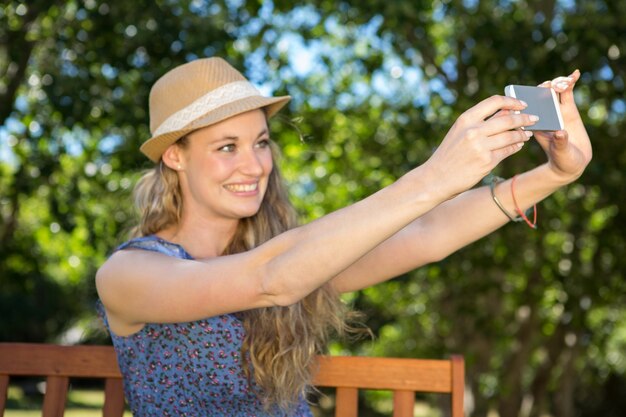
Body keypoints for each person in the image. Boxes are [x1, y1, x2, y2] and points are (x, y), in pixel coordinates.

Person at [95, 57, 591, 416]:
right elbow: (270, 279)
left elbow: (425, 232)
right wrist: (435, 176)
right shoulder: (129, 274)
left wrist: (555, 175)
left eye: (261, 142)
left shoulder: (294, 253)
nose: (254, 165)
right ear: (174, 157)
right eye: (227, 146)